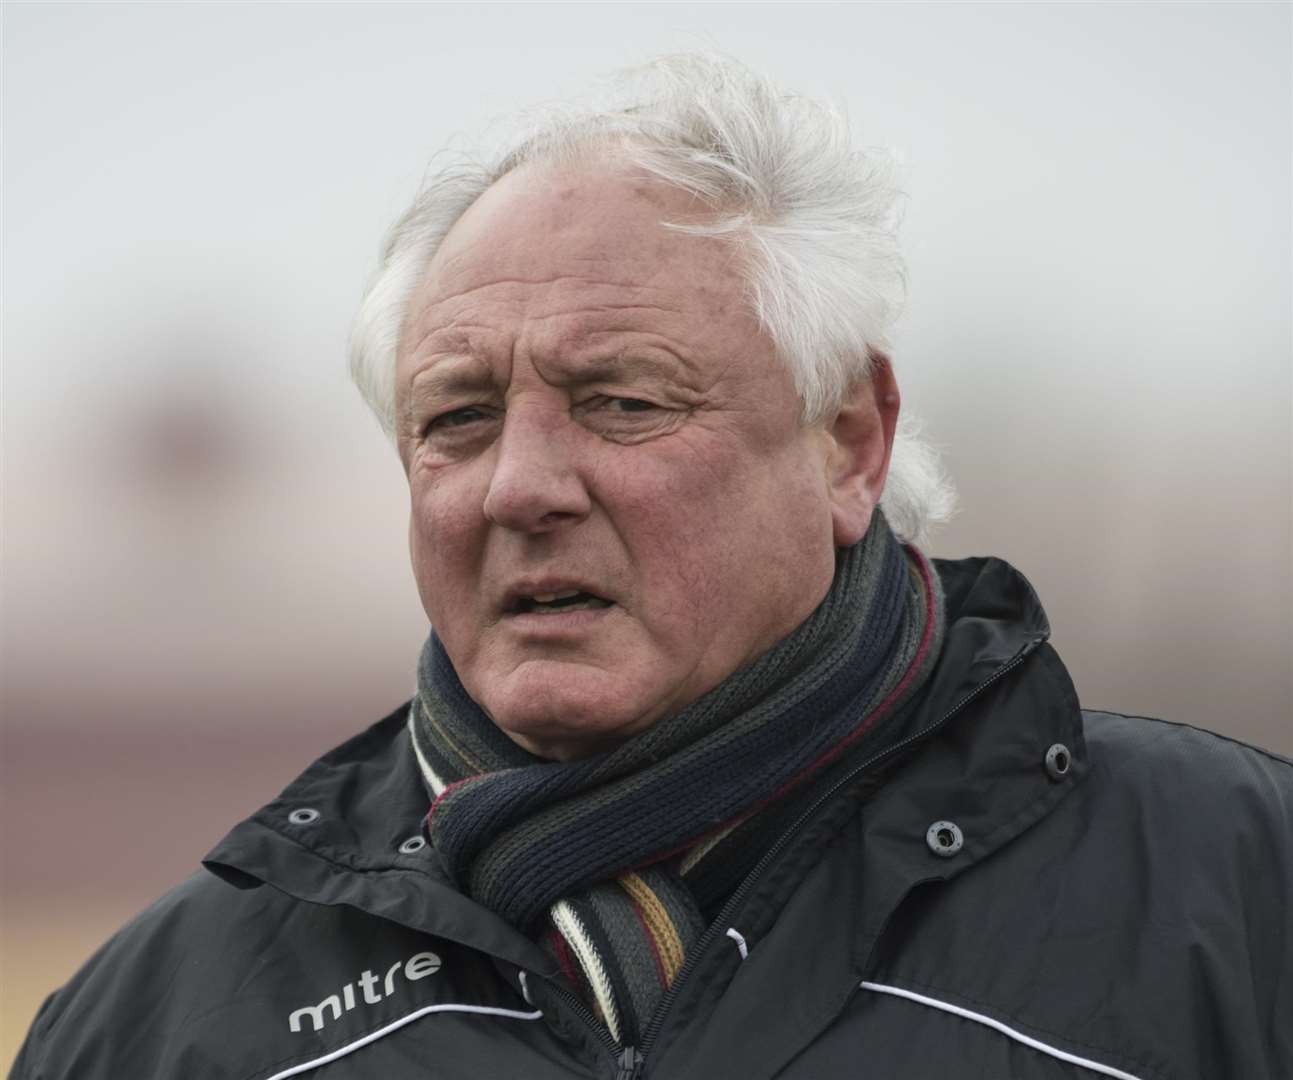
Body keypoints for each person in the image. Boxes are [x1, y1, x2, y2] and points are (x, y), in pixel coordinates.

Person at [11, 54, 1290, 1080]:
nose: (520, 485)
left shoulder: (1232, 890)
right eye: (457, 419)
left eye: (622, 402)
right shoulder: (160, 1026)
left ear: (849, 443)